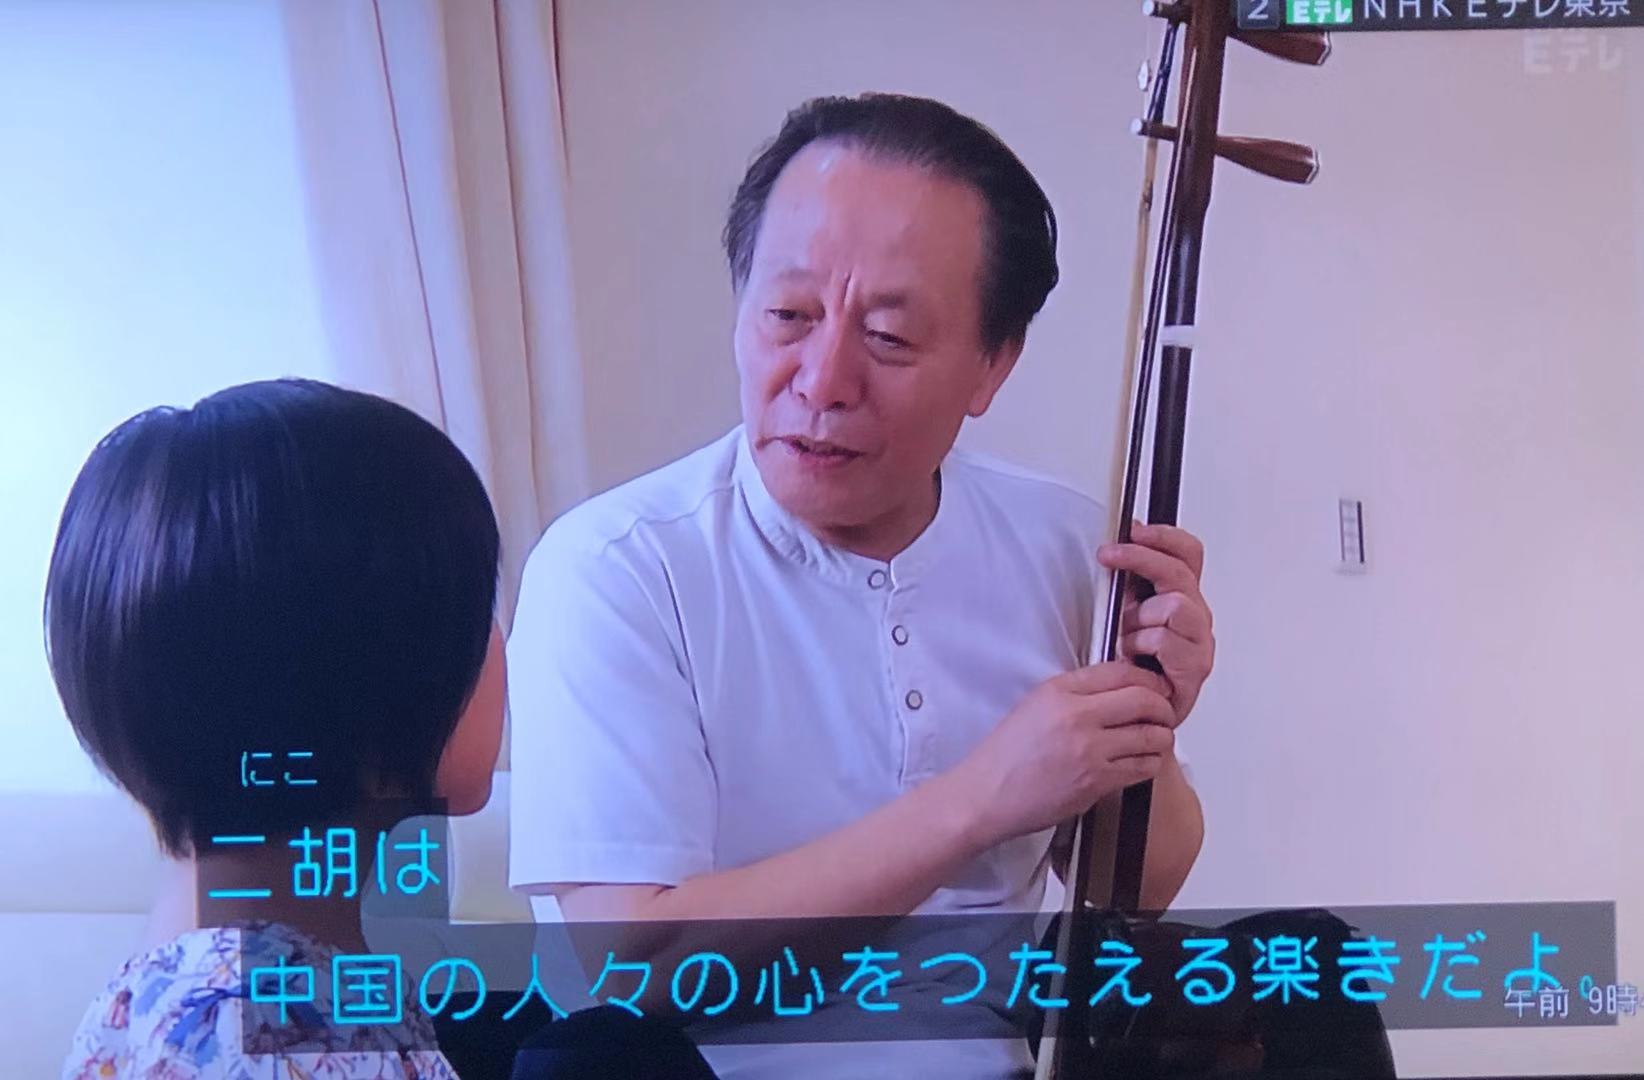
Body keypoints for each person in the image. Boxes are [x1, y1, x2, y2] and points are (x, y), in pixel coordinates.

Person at [507, 93, 1216, 1078]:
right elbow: (638, 966)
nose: (823, 379)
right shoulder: (617, 567)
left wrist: (1147, 728)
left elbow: (1130, 890)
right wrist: (980, 800)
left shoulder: (1067, 545)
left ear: (992, 365)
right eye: (788, 317)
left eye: (887, 336)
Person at [48, 379, 505, 1079]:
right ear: (381, 685)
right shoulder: (276, 1035)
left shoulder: (184, 991)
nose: (501, 640)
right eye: (478, 610)